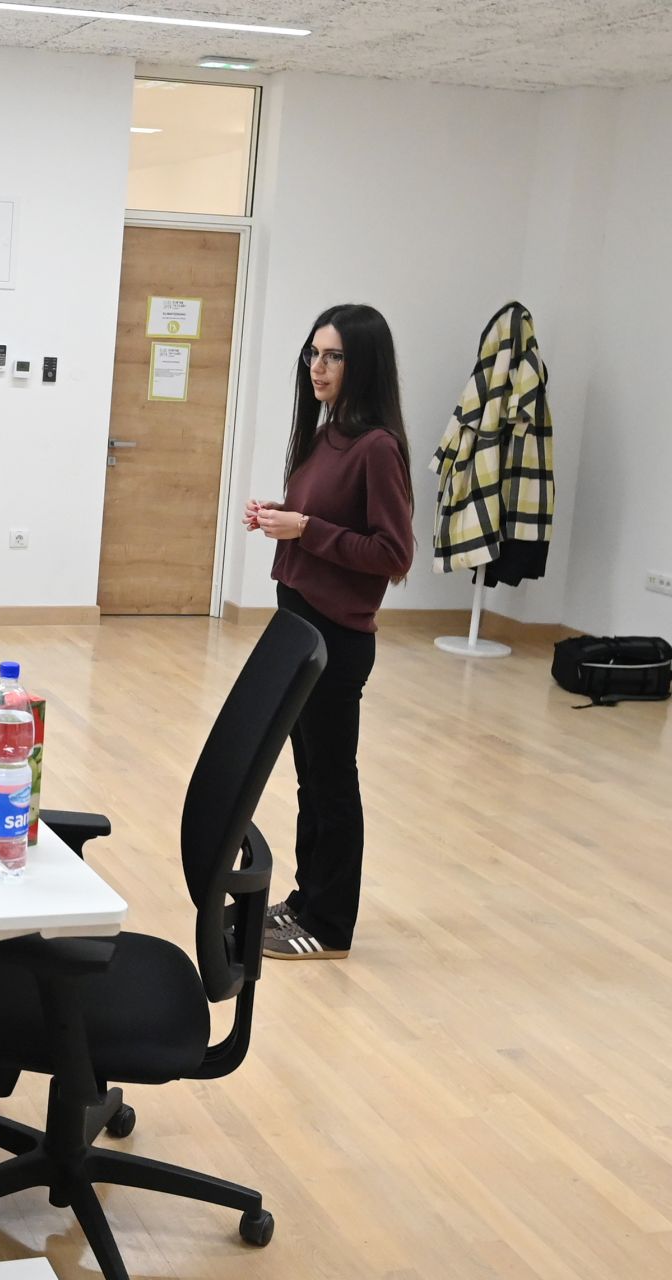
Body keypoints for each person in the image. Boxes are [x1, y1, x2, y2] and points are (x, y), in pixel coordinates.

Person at [244, 303, 414, 961]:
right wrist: (282, 516)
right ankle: (305, 901)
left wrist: (307, 529)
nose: (318, 367)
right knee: (309, 779)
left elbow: (392, 553)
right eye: (314, 353)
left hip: (334, 639)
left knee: (332, 783)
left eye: (334, 356)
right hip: (298, 624)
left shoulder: (377, 448)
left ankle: (330, 925)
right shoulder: (324, 435)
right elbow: (321, 522)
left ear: (362, 363)